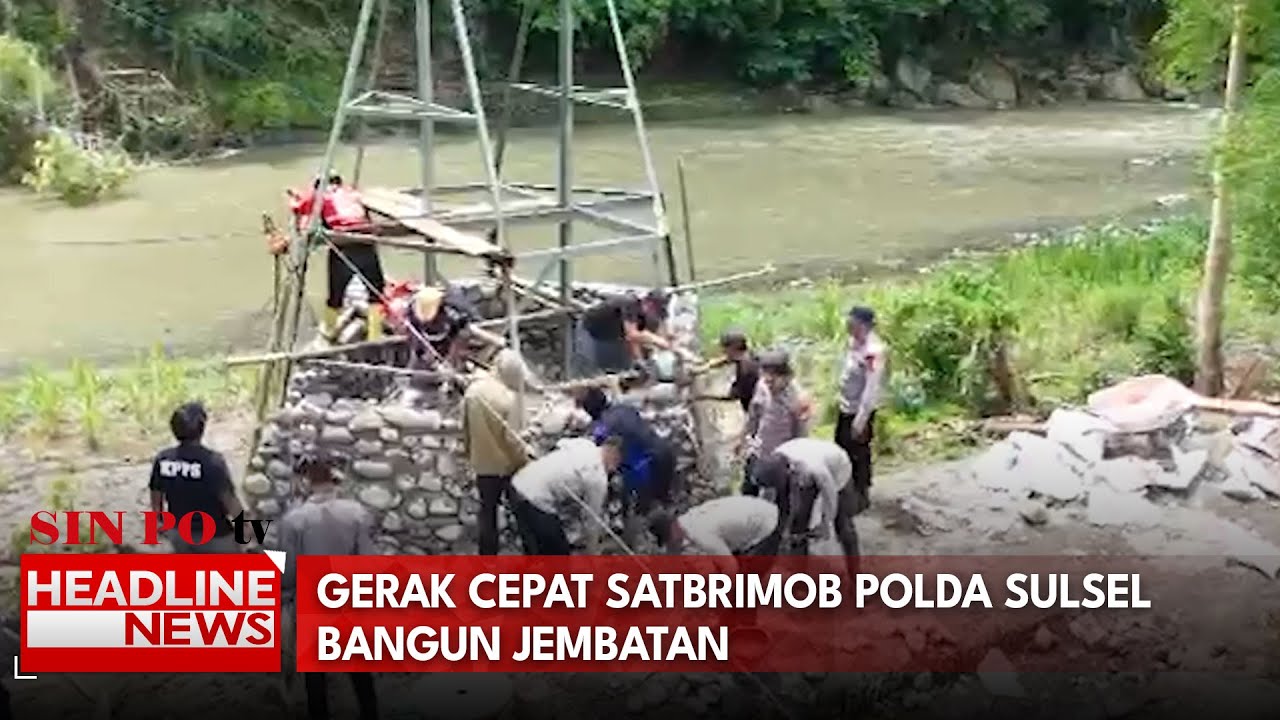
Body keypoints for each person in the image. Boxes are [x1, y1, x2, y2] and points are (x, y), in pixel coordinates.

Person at [275, 457, 379, 720]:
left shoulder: (293, 521)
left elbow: (288, 572)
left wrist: (286, 599)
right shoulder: (357, 513)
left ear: (305, 482)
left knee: (315, 674)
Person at [287, 173, 387, 342]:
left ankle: (329, 330)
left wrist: (293, 200)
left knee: (336, 295)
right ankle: (375, 334)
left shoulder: (320, 195)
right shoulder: (352, 193)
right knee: (376, 293)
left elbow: (299, 208)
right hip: (366, 244)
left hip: (343, 247)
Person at [577, 387, 677, 547]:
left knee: (641, 510)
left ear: (589, 411)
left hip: (644, 466)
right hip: (665, 453)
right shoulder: (625, 408)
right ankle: (672, 541)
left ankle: (638, 546)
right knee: (662, 500)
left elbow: (601, 455)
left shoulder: (602, 426)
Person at [462, 349, 535, 555]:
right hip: (509, 465)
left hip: (483, 465)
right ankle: (532, 554)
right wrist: (525, 459)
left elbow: (465, 429)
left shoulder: (472, 392)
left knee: (487, 514)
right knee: (523, 513)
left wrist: (469, 455)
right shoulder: (507, 397)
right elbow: (512, 439)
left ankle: (487, 560)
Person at [755, 437, 860, 577]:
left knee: (843, 524)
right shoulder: (773, 463)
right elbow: (769, 498)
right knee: (798, 523)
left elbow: (830, 496)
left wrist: (825, 523)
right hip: (803, 463)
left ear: (789, 472)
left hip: (837, 468)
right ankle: (799, 577)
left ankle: (855, 574)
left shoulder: (815, 469)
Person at [148, 402, 244, 554]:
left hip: (179, 533)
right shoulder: (213, 461)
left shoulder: (163, 459)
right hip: (216, 535)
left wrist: (158, 522)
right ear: (201, 428)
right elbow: (229, 501)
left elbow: (156, 496)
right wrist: (245, 526)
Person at [510, 436, 623, 555]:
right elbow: (591, 520)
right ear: (615, 455)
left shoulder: (584, 444)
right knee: (560, 554)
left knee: (534, 546)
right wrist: (592, 552)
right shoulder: (597, 478)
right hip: (536, 498)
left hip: (519, 482)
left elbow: (561, 443)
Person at [738, 350, 814, 497]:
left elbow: (801, 434)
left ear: (787, 376)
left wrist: (797, 463)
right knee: (748, 491)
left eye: (773, 380)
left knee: (779, 497)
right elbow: (754, 415)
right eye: (766, 379)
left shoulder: (798, 399)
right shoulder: (762, 386)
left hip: (782, 458)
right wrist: (743, 438)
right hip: (758, 450)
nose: (769, 384)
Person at [836, 306, 887, 515]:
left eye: (852, 323)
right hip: (845, 407)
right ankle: (846, 492)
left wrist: (861, 418)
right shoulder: (853, 343)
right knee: (843, 451)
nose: (848, 326)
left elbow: (871, 387)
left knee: (859, 454)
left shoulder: (873, 351)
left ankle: (861, 495)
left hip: (859, 411)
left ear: (863, 325)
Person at [651, 496, 781, 572]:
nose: (671, 545)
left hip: (767, 525)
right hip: (758, 510)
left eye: (668, 541)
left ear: (673, 529)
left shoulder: (701, 533)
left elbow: (731, 568)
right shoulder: (688, 520)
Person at [573, 291, 672, 378]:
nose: (655, 315)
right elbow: (632, 334)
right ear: (648, 303)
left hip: (610, 336)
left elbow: (633, 340)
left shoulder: (643, 316)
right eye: (656, 311)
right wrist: (658, 341)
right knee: (588, 370)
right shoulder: (630, 304)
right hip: (589, 329)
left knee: (620, 370)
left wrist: (639, 360)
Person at [405, 285, 475, 371]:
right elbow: (415, 337)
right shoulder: (412, 313)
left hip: (450, 340)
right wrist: (426, 356)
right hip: (426, 343)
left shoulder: (450, 312)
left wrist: (448, 360)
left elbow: (461, 329)